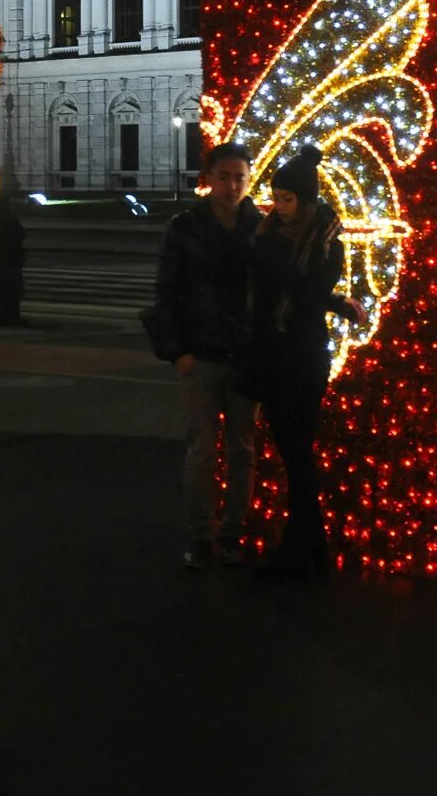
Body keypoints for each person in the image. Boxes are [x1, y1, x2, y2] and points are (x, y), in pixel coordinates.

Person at [248, 144, 365, 582]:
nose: (278, 207)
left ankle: (302, 550)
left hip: (303, 356)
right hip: (274, 354)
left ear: (306, 199)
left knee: (298, 453)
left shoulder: (323, 244)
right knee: (294, 454)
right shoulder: (267, 236)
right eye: (276, 197)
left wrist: (331, 301)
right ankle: (310, 547)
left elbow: (305, 290)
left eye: (287, 198)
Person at [153, 142, 261, 570]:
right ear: (208, 179)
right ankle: (201, 535)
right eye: (224, 176)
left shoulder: (261, 226)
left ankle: (233, 532)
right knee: (201, 450)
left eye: (240, 177)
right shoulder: (185, 227)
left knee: (242, 449)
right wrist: (176, 350)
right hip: (200, 354)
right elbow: (167, 292)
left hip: (246, 355)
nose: (232, 185)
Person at [0, 196, 27, 327]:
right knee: (13, 291)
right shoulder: (9, 219)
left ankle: (2, 318)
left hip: (0, 260)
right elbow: (21, 233)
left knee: (1, 290)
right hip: (11, 260)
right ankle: (12, 318)